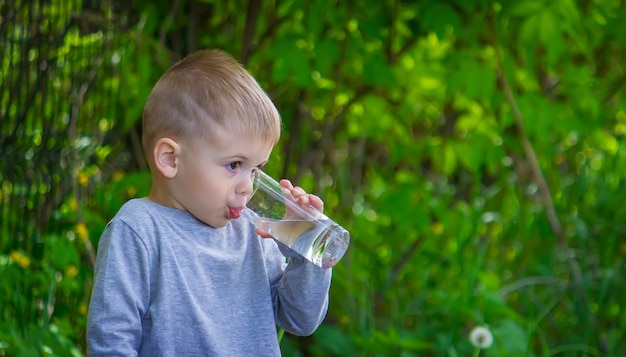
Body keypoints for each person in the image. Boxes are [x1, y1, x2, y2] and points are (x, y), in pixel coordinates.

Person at [86, 49, 332, 356]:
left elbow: (300, 319)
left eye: (257, 169)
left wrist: (305, 255)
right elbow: (111, 342)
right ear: (170, 158)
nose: (248, 187)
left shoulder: (252, 232)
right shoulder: (138, 230)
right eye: (233, 165)